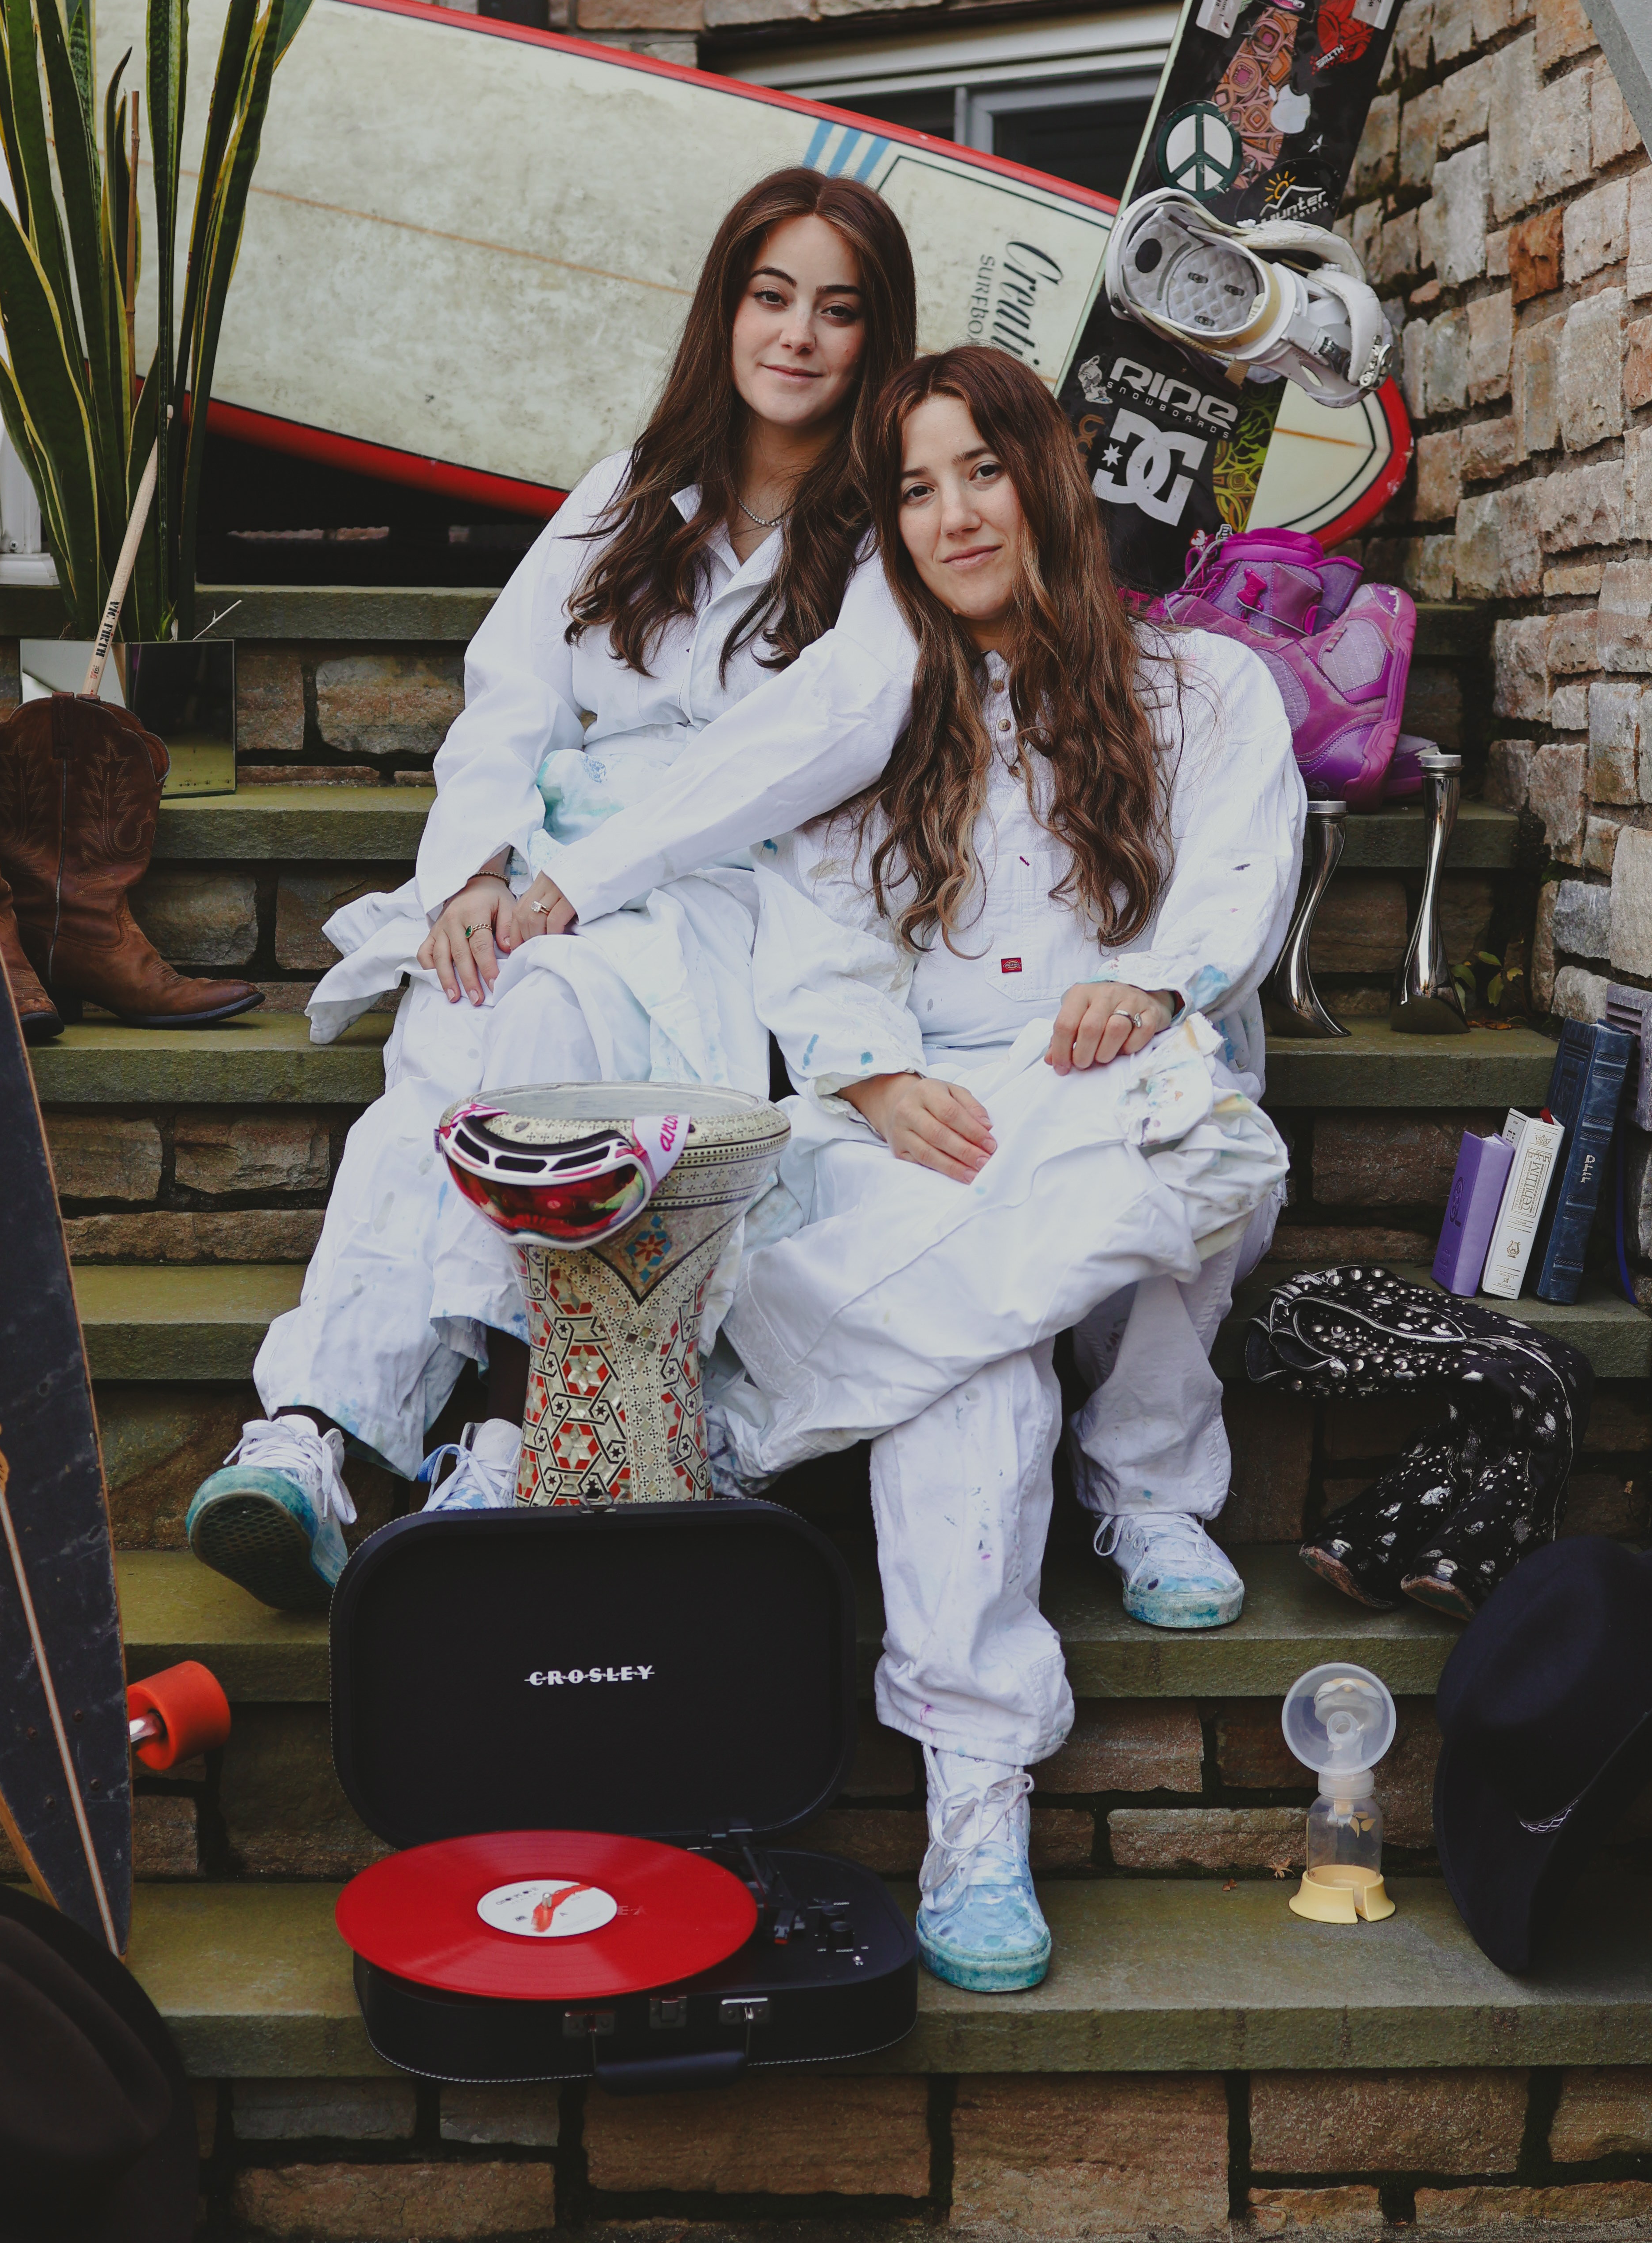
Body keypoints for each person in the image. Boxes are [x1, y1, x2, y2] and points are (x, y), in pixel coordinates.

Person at [184, 167, 919, 1610]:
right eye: (771, 297)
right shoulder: (637, 485)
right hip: (541, 865)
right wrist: (470, 871)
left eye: (838, 311)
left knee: (536, 1024)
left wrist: (569, 889)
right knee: (445, 1050)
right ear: (726, 311)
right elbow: (511, 692)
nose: (798, 335)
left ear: (874, 341)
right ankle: (319, 1444)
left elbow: (795, 753)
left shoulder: (886, 534)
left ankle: (493, 1427)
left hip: (715, 886)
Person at [706, 346, 1303, 1993]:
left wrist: (1158, 982)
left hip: (1107, 1084)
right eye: (914, 487)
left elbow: (1237, 880)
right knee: (973, 1385)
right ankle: (978, 1800)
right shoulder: (871, 712)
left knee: (1194, 1124)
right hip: (932, 1118)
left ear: (1047, 476)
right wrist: (882, 1079)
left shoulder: (1204, 691)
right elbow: (813, 940)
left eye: (982, 470)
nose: (954, 513)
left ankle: (1127, 1470)